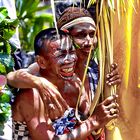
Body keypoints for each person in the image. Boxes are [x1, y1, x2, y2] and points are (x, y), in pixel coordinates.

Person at [12, 28, 119, 140]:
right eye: (61, 55)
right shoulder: (31, 95)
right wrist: (95, 120)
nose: (70, 59)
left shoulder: (75, 82)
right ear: (41, 62)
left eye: (72, 52)